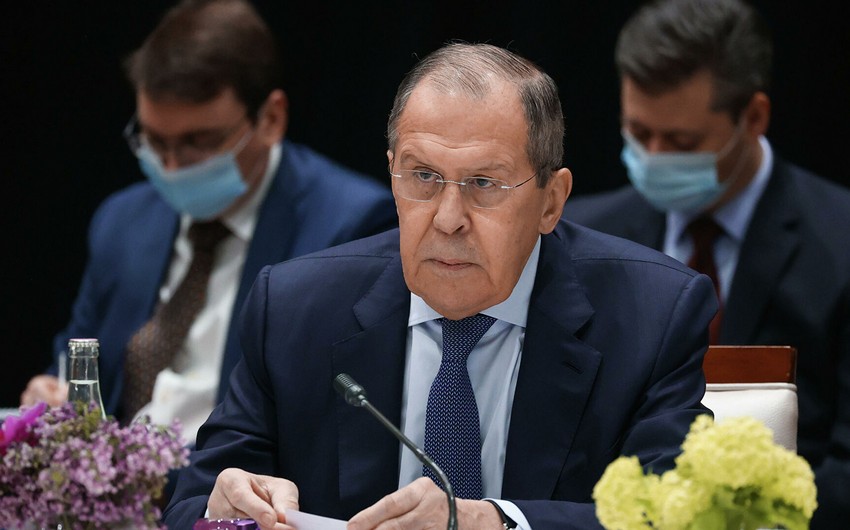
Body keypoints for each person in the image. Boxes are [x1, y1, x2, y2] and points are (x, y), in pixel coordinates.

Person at [162, 42, 717, 530]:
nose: (448, 219)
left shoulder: (652, 316)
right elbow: (191, 504)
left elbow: (675, 515)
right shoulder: (293, 309)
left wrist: (493, 522)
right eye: (423, 177)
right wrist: (229, 508)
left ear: (551, 201)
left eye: (485, 183)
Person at [19, 0, 397, 445]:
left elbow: (331, 419)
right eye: (154, 141)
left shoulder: (350, 227)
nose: (172, 167)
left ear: (271, 118)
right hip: (114, 477)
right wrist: (49, 393)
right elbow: (75, 362)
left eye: (198, 142)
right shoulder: (122, 220)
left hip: (235, 479)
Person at [562, 0, 850, 527]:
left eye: (682, 142)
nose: (654, 157)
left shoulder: (839, 244)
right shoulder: (579, 239)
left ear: (754, 117)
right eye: (638, 134)